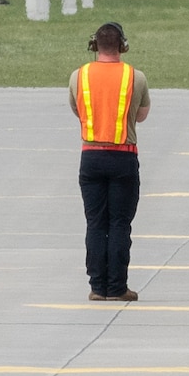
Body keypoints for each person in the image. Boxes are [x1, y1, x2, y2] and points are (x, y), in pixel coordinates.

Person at [70, 22, 150, 301]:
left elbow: (77, 110)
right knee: (119, 223)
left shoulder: (79, 76)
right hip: (123, 157)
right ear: (122, 46)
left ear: (95, 46)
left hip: (90, 156)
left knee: (95, 223)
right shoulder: (135, 77)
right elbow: (141, 115)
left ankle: (97, 286)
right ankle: (117, 286)